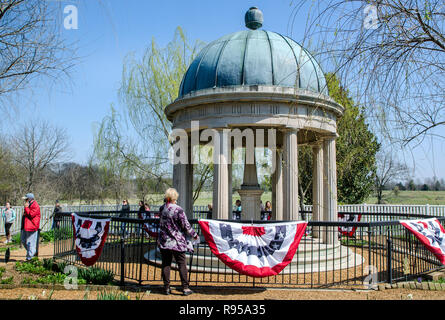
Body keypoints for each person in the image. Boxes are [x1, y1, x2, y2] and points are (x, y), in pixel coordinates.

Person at [158, 188, 198, 296]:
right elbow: (185, 224)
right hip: (176, 241)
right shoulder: (178, 209)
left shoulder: (162, 208)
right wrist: (194, 234)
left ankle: (166, 288)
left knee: (166, 264)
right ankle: (185, 288)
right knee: (181, 264)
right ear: (175, 197)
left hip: (164, 241)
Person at [21, 193, 41, 261]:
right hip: (26, 226)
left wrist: (26, 207)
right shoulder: (29, 204)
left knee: (30, 242)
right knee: (23, 240)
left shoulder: (35, 205)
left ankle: (30, 258)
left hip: (32, 227)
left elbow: (31, 215)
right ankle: (32, 252)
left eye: (26, 199)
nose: (25, 201)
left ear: (29, 199)